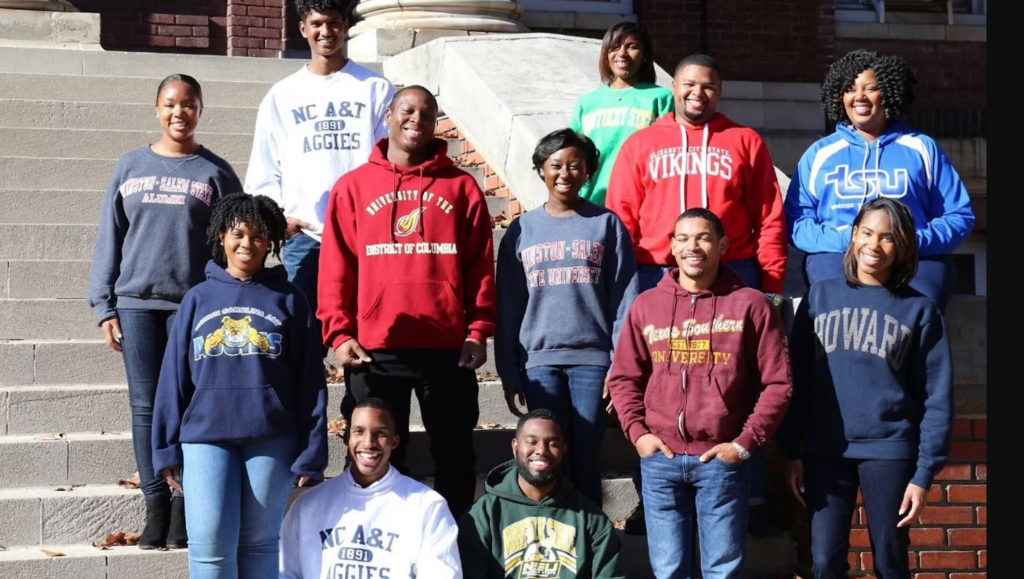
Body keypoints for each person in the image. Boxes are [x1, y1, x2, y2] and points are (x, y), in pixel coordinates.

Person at [604, 53, 788, 536]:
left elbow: (769, 213)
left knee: (738, 382)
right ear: (674, 89)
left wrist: (769, 283)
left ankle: (745, 496)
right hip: (654, 272)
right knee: (655, 382)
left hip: (737, 270)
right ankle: (655, 499)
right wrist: (624, 285)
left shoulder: (744, 141)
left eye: (707, 86)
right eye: (688, 85)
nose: (697, 94)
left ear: (719, 91)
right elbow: (621, 215)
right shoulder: (642, 144)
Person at [318, 85, 496, 520]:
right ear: (388, 116)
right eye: (407, 110)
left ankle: (451, 550)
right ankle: (375, 544)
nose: (417, 118)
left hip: (447, 347)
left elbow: (480, 268)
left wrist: (477, 331)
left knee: (454, 458)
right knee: (373, 458)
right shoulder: (354, 187)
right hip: (376, 349)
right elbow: (337, 267)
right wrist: (339, 333)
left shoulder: (461, 188)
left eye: (427, 112)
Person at [85, 73, 243, 550]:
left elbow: (233, 242)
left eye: (189, 104)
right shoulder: (130, 166)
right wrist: (103, 304)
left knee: (192, 407)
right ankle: (155, 503)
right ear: (157, 109)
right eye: (171, 104)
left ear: (200, 110)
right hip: (137, 304)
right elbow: (109, 237)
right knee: (145, 407)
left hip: (193, 308)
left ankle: (183, 505)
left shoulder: (215, 172)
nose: (180, 113)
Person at [606, 208, 793, 577]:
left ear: (722, 245)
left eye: (704, 237)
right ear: (672, 247)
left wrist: (743, 443)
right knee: (669, 569)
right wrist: (639, 435)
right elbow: (624, 378)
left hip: (721, 459)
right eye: (684, 238)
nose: (694, 246)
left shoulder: (751, 305)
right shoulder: (647, 306)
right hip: (661, 460)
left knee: (722, 571)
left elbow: (779, 383)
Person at [151, 193, 329, 579]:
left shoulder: (291, 299)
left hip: (272, 438)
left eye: (258, 236)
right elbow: (172, 379)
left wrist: (313, 447)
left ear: (272, 242)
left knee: (260, 545)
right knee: (209, 549)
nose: (247, 244)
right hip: (204, 438)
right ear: (221, 237)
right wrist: (164, 447)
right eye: (238, 234)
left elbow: (310, 381)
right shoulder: (197, 299)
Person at [778, 197, 953, 579]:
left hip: (890, 451)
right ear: (854, 235)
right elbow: (796, 380)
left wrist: (923, 474)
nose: (874, 246)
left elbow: (936, 397)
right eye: (868, 233)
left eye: (888, 238)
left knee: (890, 561)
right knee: (824, 562)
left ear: (903, 245)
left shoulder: (920, 311)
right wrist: (792, 451)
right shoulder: (819, 297)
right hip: (825, 451)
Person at [495, 128, 639, 507]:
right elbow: (509, 305)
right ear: (541, 169)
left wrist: (620, 366)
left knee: (585, 458)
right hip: (539, 363)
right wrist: (509, 371)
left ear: (588, 171)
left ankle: (589, 539)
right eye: (555, 165)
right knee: (545, 462)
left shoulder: (607, 225)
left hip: (594, 364)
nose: (565, 173)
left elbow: (626, 300)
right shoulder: (522, 230)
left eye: (575, 165)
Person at [244, 0, 395, 349]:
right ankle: (307, 407)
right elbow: (265, 165)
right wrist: (279, 217)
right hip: (305, 237)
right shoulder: (282, 95)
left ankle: (357, 406)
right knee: (300, 341)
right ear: (302, 28)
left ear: (345, 26)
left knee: (367, 337)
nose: (326, 32)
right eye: (317, 23)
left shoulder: (375, 88)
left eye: (334, 23)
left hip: (364, 237)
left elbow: (390, 163)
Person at [784, 49, 974, 312]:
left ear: (889, 93)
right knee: (836, 312)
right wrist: (846, 241)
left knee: (916, 314)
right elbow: (797, 220)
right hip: (838, 256)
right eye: (850, 89)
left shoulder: (921, 148)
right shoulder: (820, 154)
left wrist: (909, 241)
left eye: (870, 88)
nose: (859, 97)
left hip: (913, 257)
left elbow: (958, 215)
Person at [280, 397, 462, 578]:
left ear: (395, 441)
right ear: (347, 437)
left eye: (380, 433)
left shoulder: (427, 505)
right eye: (359, 431)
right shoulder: (308, 505)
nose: (368, 443)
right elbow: (284, 572)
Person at [457, 408, 623, 578]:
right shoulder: (483, 515)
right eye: (531, 441)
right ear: (515, 447)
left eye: (552, 443)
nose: (542, 451)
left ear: (564, 449)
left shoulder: (591, 519)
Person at [569, 21, 674, 207]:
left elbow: (670, 155)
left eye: (632, 47)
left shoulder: (662, 98)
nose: (622, 54)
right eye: (614, 47)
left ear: (645, 55)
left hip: (642, 203)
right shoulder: (587, 103)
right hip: (593, 201)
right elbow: (573, 155)